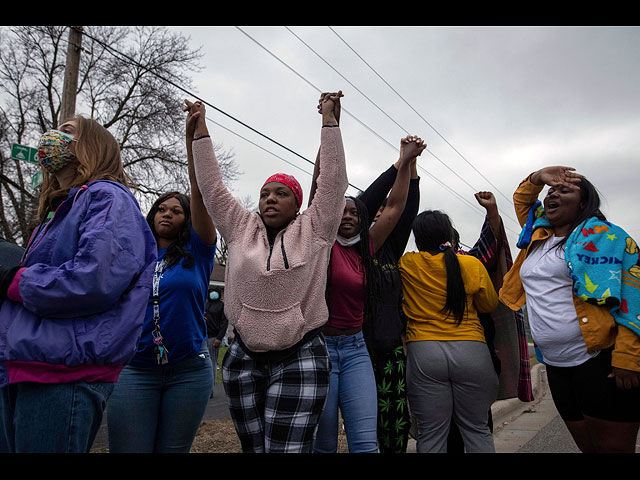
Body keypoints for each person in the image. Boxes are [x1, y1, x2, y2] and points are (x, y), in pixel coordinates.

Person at [188, 92, 348, 453]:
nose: (270, 199)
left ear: (298, 203)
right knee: (254, 448)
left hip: (300, 354)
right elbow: (212, 188)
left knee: (286, 449)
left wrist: (329, 122)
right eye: (264, 194)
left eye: (280, 194)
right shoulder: (240, 226)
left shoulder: (316, 228)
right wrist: (200, 132)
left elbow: (334, 182)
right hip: (244, 357)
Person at [0, 116, 157, 453]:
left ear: (93, 146)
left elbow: (93, 279)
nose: (52, 137)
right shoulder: (60, 210)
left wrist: (15, 281)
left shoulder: (108, 198)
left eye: (67, 132)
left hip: (65, 373)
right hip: (26, 365)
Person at [499, 166, 640, 453]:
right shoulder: (536, 235)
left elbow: (634, 295)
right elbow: (522, 198)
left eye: (564, 191)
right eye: (551, 191)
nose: (553, 195)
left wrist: (628, 355)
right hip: (556, 365)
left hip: (601, 360)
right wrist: (540, 176)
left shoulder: (609, 237)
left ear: (583, 203)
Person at [107, 101, 217, 453]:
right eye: (161, 209)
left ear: (187, 219)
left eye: (177, 210)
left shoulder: (198, 252)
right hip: (134, 369)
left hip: (188, 370)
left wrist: (194, 139)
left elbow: (199, 192)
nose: (167, 214)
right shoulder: (131, 255)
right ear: (151, 215)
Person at [313, 135, 426, 454]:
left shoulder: (368, 248)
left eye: (354, 213)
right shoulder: (319, 244)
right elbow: (320, 190)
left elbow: (395, 206)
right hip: (320, 348)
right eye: (342, 212)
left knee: (365, 442)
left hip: (355, 348)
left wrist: (406, 162)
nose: (348, 217)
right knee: (324, 443)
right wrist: (329, 130)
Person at [399, 209, 500, 453]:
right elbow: (489, 305)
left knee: (432, 433)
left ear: (417, 237)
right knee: (477, 429)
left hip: (424, 352)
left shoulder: (407, 264)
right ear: (448, 234)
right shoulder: (470, 264)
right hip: (472, 351)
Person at [444, 191, 534, 452]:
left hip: (474, 350)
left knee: (476, 421)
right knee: (445, 423)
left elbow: (492, 246)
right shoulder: (418, 266)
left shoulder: (470, 261)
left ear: (455, 240)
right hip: (437, 353)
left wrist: (492, 213)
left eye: (446, 237)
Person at [204, 286, 228, 397]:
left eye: (215, 292)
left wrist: (219, 338)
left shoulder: (221, 306)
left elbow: (224, 323)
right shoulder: (205, 305)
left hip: (214, 338)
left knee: (212, 363)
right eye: (211, 292)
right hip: (203, 337)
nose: (213, 294)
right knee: (203, 363)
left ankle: (210, 389)